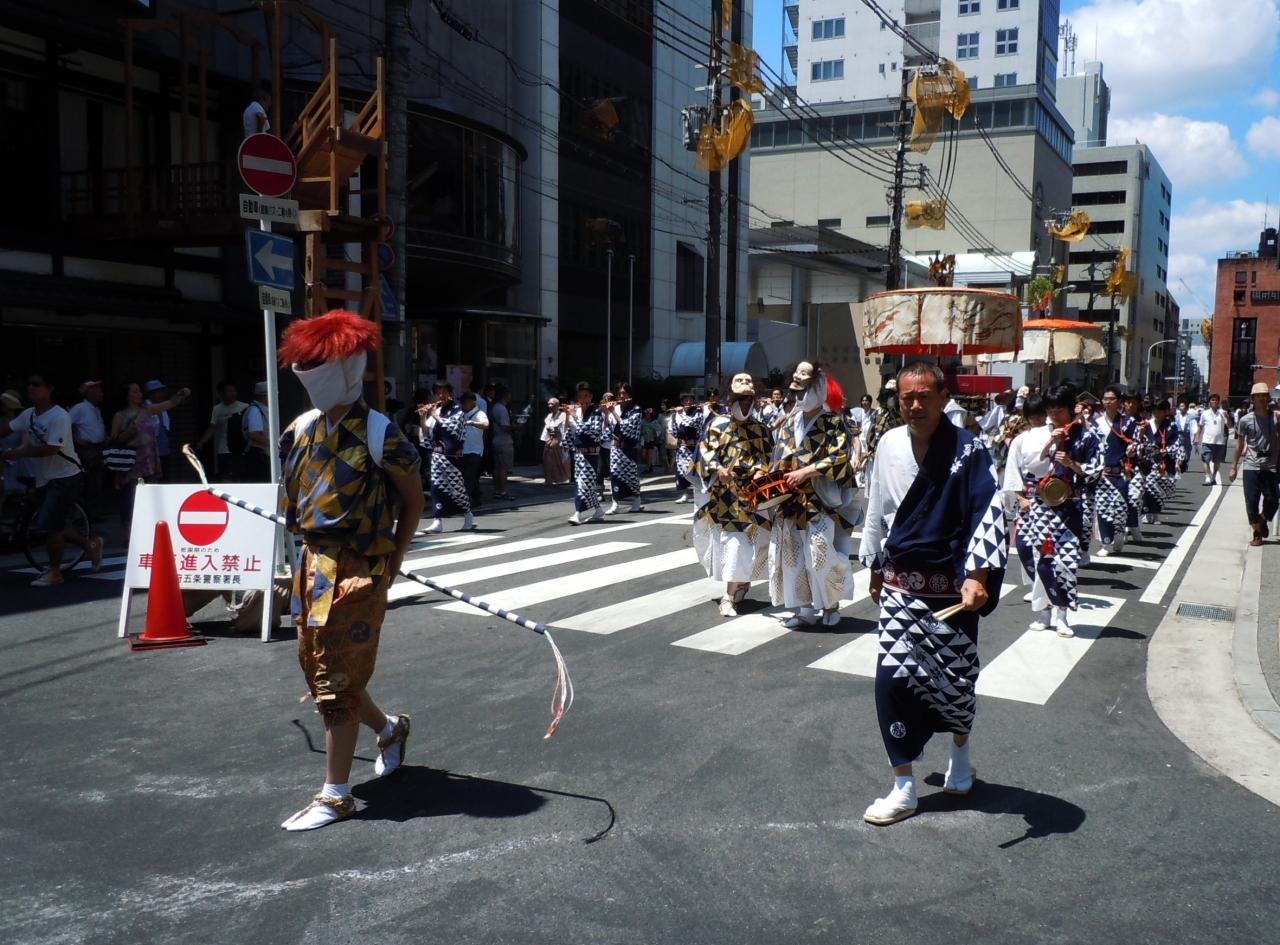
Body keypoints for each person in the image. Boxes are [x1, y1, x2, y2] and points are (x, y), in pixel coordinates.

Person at [275, 310, 424, 831]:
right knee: (321, 671)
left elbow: (413, 501)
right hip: (313, 566)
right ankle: (389, 729)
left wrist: (393, 561)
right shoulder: (299, 430)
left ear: (348, 369)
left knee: (337, 678)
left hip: (359, 569)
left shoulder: (381, 433)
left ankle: (336, 794)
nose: (308, 375)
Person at [858, 361, 1008, 826]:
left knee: (956, 682)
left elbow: (987, 511)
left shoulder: (969, 449)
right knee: (892, 680)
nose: (916, 405)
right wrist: (875, 565)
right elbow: (877, 506)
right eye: (907, 397)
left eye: (925, 396)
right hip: (901, 583)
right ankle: (903, 786)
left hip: (951, 590)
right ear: (897, 401)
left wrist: (979, 575)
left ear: (944, 397)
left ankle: (960, 758)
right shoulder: (887, 443)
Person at [1003, 386, 1101, 637]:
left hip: (1070, 505)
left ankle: (1062, 614)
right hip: (1041, 504)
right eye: (1051, 411)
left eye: (1059, 411)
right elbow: (1032, 466)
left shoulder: (1087, 436)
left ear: (1070, 409)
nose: (1054, 416)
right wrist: (1048, 444)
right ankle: (1044, 612)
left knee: (1066, 561)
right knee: (1042, 560)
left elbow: (1095, 471)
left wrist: (1072, 464)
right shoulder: (1038, 434)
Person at [766, 361, 856, 628]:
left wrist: (806, 472)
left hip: (818, 501)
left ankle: (831, 604)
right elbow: (777, 456)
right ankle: (804, 609)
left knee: (819, 555)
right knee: (793, 558)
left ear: (818, 388)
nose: (799, 394)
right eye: (796, 390)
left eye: (804, 388)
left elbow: (840, 458)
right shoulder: (788, 423)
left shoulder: (832, 422)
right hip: (789, 501)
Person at [0, 371, 103, 586]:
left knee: (50, 526)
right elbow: (7, 429)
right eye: (29, 384)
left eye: (36, 384)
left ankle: (55, 572)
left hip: (65, 476)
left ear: (49, 389)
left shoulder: (59, 416)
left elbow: (51, 449)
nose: (31, 388)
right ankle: (90, 545)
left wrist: (15, 454)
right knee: (50, 522)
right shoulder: (28, 414)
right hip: (44, 477)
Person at [693, 373, 771, 617]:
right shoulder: (717, 425)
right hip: (725, 496)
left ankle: (737, 586)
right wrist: (717, 468)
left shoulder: (761, 429)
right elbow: (704, 454)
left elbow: (769, 459)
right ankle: (730, 593)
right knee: (734, 541)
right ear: (731, 399)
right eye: (740, 398)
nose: (745, 403)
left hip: (753, 494)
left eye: (749, 399)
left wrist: (761, 472)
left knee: (748, 542)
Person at [109, 380, 191, 521]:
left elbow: (171, 403)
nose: (139, 394)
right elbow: (114, 439)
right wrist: (129, 431)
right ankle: (130, 529)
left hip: (149, 463)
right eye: (135, 392)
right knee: (131, 500)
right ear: (127, 396)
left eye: (139, 391)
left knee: (150, 498)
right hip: (131, 465)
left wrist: (181, 393)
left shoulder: (148, 410)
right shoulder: (120, 416)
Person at [1092, 385, 1141, 557]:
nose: (1108, 402)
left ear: (1119, 401)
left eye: (1111, 399)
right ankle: (1106, 542)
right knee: (1103, 508)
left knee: (1120, 507)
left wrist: (1133, 450)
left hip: (1121, 472)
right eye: (1105, 399)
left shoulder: (1128, 422)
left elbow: (1137, 443)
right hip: (1102, 473)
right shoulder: (1095, 423)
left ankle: (1119, 533)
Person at [1229, 382, 1280, 547]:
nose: (1262, 399)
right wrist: (1233, 467)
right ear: (1253, 399)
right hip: (1251, 466)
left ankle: (1262, 520)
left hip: (1271, 466)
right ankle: (1257, 532)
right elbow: (1239, 445)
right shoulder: (1245, 420)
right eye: (1258, 396)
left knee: (1273, 500)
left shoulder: (1276, 417)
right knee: (1251, 501)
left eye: (1265, 396)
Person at [419, 383, 474, 533]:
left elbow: (453, 429)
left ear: (450, 393)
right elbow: (426, 433)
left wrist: (435, 415)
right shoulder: (437, 410)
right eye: (438, 393)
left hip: (452, 456)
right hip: (438, 455)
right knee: (436, 487)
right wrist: (423, 417)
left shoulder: (458, 410)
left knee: (457, 489)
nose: (440, 396)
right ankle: (437, 521)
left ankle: (468, 515)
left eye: (443, 392)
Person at [564, 381, 606, 525]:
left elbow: (592, 432)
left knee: (583, 484)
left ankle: (577, 513)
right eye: (580, 396)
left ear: (591, 396)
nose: (583, 399)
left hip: (591, 455)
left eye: (586, 396)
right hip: (578, 455)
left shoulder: (597, 412)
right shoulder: (577, 411)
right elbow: (571, 432)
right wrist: (569, 416)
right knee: (583, 484)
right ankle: (598, 510)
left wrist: (575, 417)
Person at [196, 381, 248, 482]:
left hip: (239, 448)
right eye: (229, 391)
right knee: (225, 476)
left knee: (239, 476)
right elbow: (212, 427)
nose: (232, 393)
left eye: (234, 391)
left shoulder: (245, 407)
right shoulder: (217, 409)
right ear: (221, 393)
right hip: (223, 449)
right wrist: (201, 442)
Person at [68, 380, 107, 514]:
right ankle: (88, 514)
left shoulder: (96, 409)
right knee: (89, 482)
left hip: (98, 449)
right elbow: (66, 423)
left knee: (98, 482)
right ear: (90, 393)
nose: (101, 393)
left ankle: (95, 512)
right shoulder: (80, 408)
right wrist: (76, 438)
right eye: (98, 391)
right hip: (87, 450)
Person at [608, 383, 645, 514]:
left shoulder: (636, 409)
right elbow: (607, 426)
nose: (621, 396)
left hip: (628, 447)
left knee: (631, 475)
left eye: (624, 393)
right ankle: (615, 503)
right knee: (614, 475)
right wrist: (606, 412)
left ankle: (637, 500)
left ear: (629, 394)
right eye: (619, 393)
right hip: (615, 447)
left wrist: (613, 412)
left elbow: (627, 426)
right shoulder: (615, 407)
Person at [458, 391, 488, 509]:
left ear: (473, 402)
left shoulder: (479, 413)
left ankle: (468, 501)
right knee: (470, 476)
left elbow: (486, 424)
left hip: (474, 450)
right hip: (463, 450)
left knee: (469, 476)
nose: (463, 404)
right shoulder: (462, 414)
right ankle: (476, 498)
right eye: (462, 402)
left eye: (465, 402)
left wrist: (473, 423)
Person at [671, 393, 703, 504]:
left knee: (693, 471)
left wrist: (680, 414)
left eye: (690, 400)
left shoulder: (698, 413)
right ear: (682, 402)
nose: (688, 402)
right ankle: (685, 494)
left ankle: (699, 493)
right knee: (681, 472)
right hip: (682, 448)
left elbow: (690, 423)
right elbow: (675, 432)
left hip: (694, 447)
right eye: (686, 400)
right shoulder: (681, 414)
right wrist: (673, 417)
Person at [1194, 392, 1230, 485]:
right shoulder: (1205, 413)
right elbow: (1200, 426)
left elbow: (1230, 425)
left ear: (1218, 402)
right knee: (1206, 460)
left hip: (1219, 442)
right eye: (1212, 400)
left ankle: (1214, 477)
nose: (1214, 402)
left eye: (1216, 400)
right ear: (1209, 402)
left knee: (1217, 462)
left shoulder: (1222, 413)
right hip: (1207, 441)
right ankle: (1207, 477)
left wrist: (1228, 417)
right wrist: (1197, 437)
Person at [242, 381, 272, 482]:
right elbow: (254, 434)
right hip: (257, 455)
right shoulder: (255, 410)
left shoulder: (263, 409)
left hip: (262, 454)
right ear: (265, 396)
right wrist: (274, 445)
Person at [143, 380, 173, 478]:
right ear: (150, 394)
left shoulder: (163, 409)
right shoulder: (145, 408)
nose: (161, 395)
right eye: (157, 392)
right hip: (151, 453)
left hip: (164, 451)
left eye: (161, 392)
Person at [490, 385, 515, 500]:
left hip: (496, 440)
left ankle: (497, 491)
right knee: (503, 468)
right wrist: (515, 427)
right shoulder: (502, 409)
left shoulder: (495, 407)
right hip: (504, 441)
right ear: (505, 395)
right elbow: (505, 427)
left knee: (497, 467)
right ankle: (503, 491)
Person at [540, 398, 571, 485]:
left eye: (552, 404)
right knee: (547, 460)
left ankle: (561, 478)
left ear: (557, 405)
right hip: (549, 440)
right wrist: (546, 439)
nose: (550, 406)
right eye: (549, 404)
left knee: (559, 461)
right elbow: (546, 429)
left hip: (559, 440)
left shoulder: (563, 415)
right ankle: (549, 479)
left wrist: (564, 442)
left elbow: (566, 427)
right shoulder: (549, 416)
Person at [1174, 400, 1194, 474]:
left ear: (1186, 408)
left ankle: (1185, 463)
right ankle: (1178, 463)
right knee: (1178, 449)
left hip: (1187, 435)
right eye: (1181, 406)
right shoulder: (1176, 417)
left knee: (1187, 450)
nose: (1182, 408)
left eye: (1183, 406)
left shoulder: (1190, 417)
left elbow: (1193, 427)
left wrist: (1194, 437)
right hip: (1178, 434)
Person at [641, 407, 662, 473]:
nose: (647, 415)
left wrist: (655, 434)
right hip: (644, 440)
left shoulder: (654, 422)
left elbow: (659, 430)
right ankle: (650, 466)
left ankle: (647, 468)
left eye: (648, 414)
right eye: (646, 413)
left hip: (651, 440)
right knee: (644, 455)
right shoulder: (642, 421)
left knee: (649, 454)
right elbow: (639, 429)